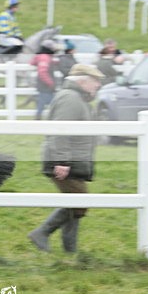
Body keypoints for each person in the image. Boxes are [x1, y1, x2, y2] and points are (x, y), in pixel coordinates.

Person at [28, 63, 104, 253]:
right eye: (95, 81)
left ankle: (70, 251)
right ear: (82, 81)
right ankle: (42, 233)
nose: (97, 85)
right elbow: (59, 131)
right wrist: (62, 161)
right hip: (65, 162)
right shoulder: (70, 99)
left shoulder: (77, 98)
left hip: (72, 161)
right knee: (80, 202)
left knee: (76, 205)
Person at [30, 39, 59, 119]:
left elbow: (33, 63)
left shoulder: (41, 57)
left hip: (42, 85)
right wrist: (50, 83)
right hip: (46, 86)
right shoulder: (45, 58)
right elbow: (42, 72)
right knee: (53, 103)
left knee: (41, 105)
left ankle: (38, 120)